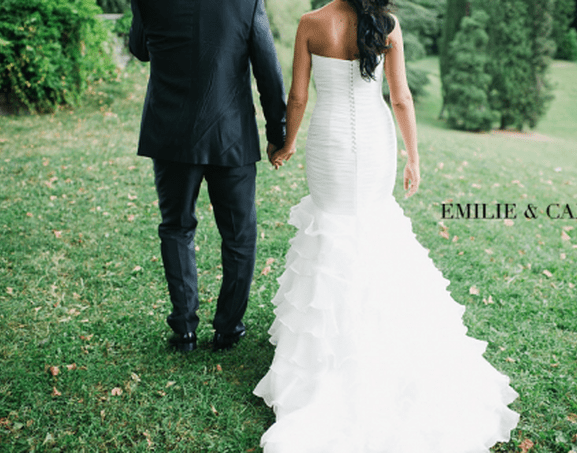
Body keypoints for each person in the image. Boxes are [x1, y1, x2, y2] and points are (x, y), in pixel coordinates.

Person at [253, 0, 519, 450]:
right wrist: (412, 156)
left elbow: (298, 96)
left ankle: (329, 347)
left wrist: (287, 143)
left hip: (329, 143)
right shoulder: (387, 25)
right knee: (373, 227)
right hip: (376, 143)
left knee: (331, 228)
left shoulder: (311, 24)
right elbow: (401, 98)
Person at [129, 0, 287, 352]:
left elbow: (140, 49)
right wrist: (278, 130)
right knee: (239, 235)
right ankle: (228, 327)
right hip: (230, 136)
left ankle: (184, 329)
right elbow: (267, 67)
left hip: (170, 133)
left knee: (177, 226)